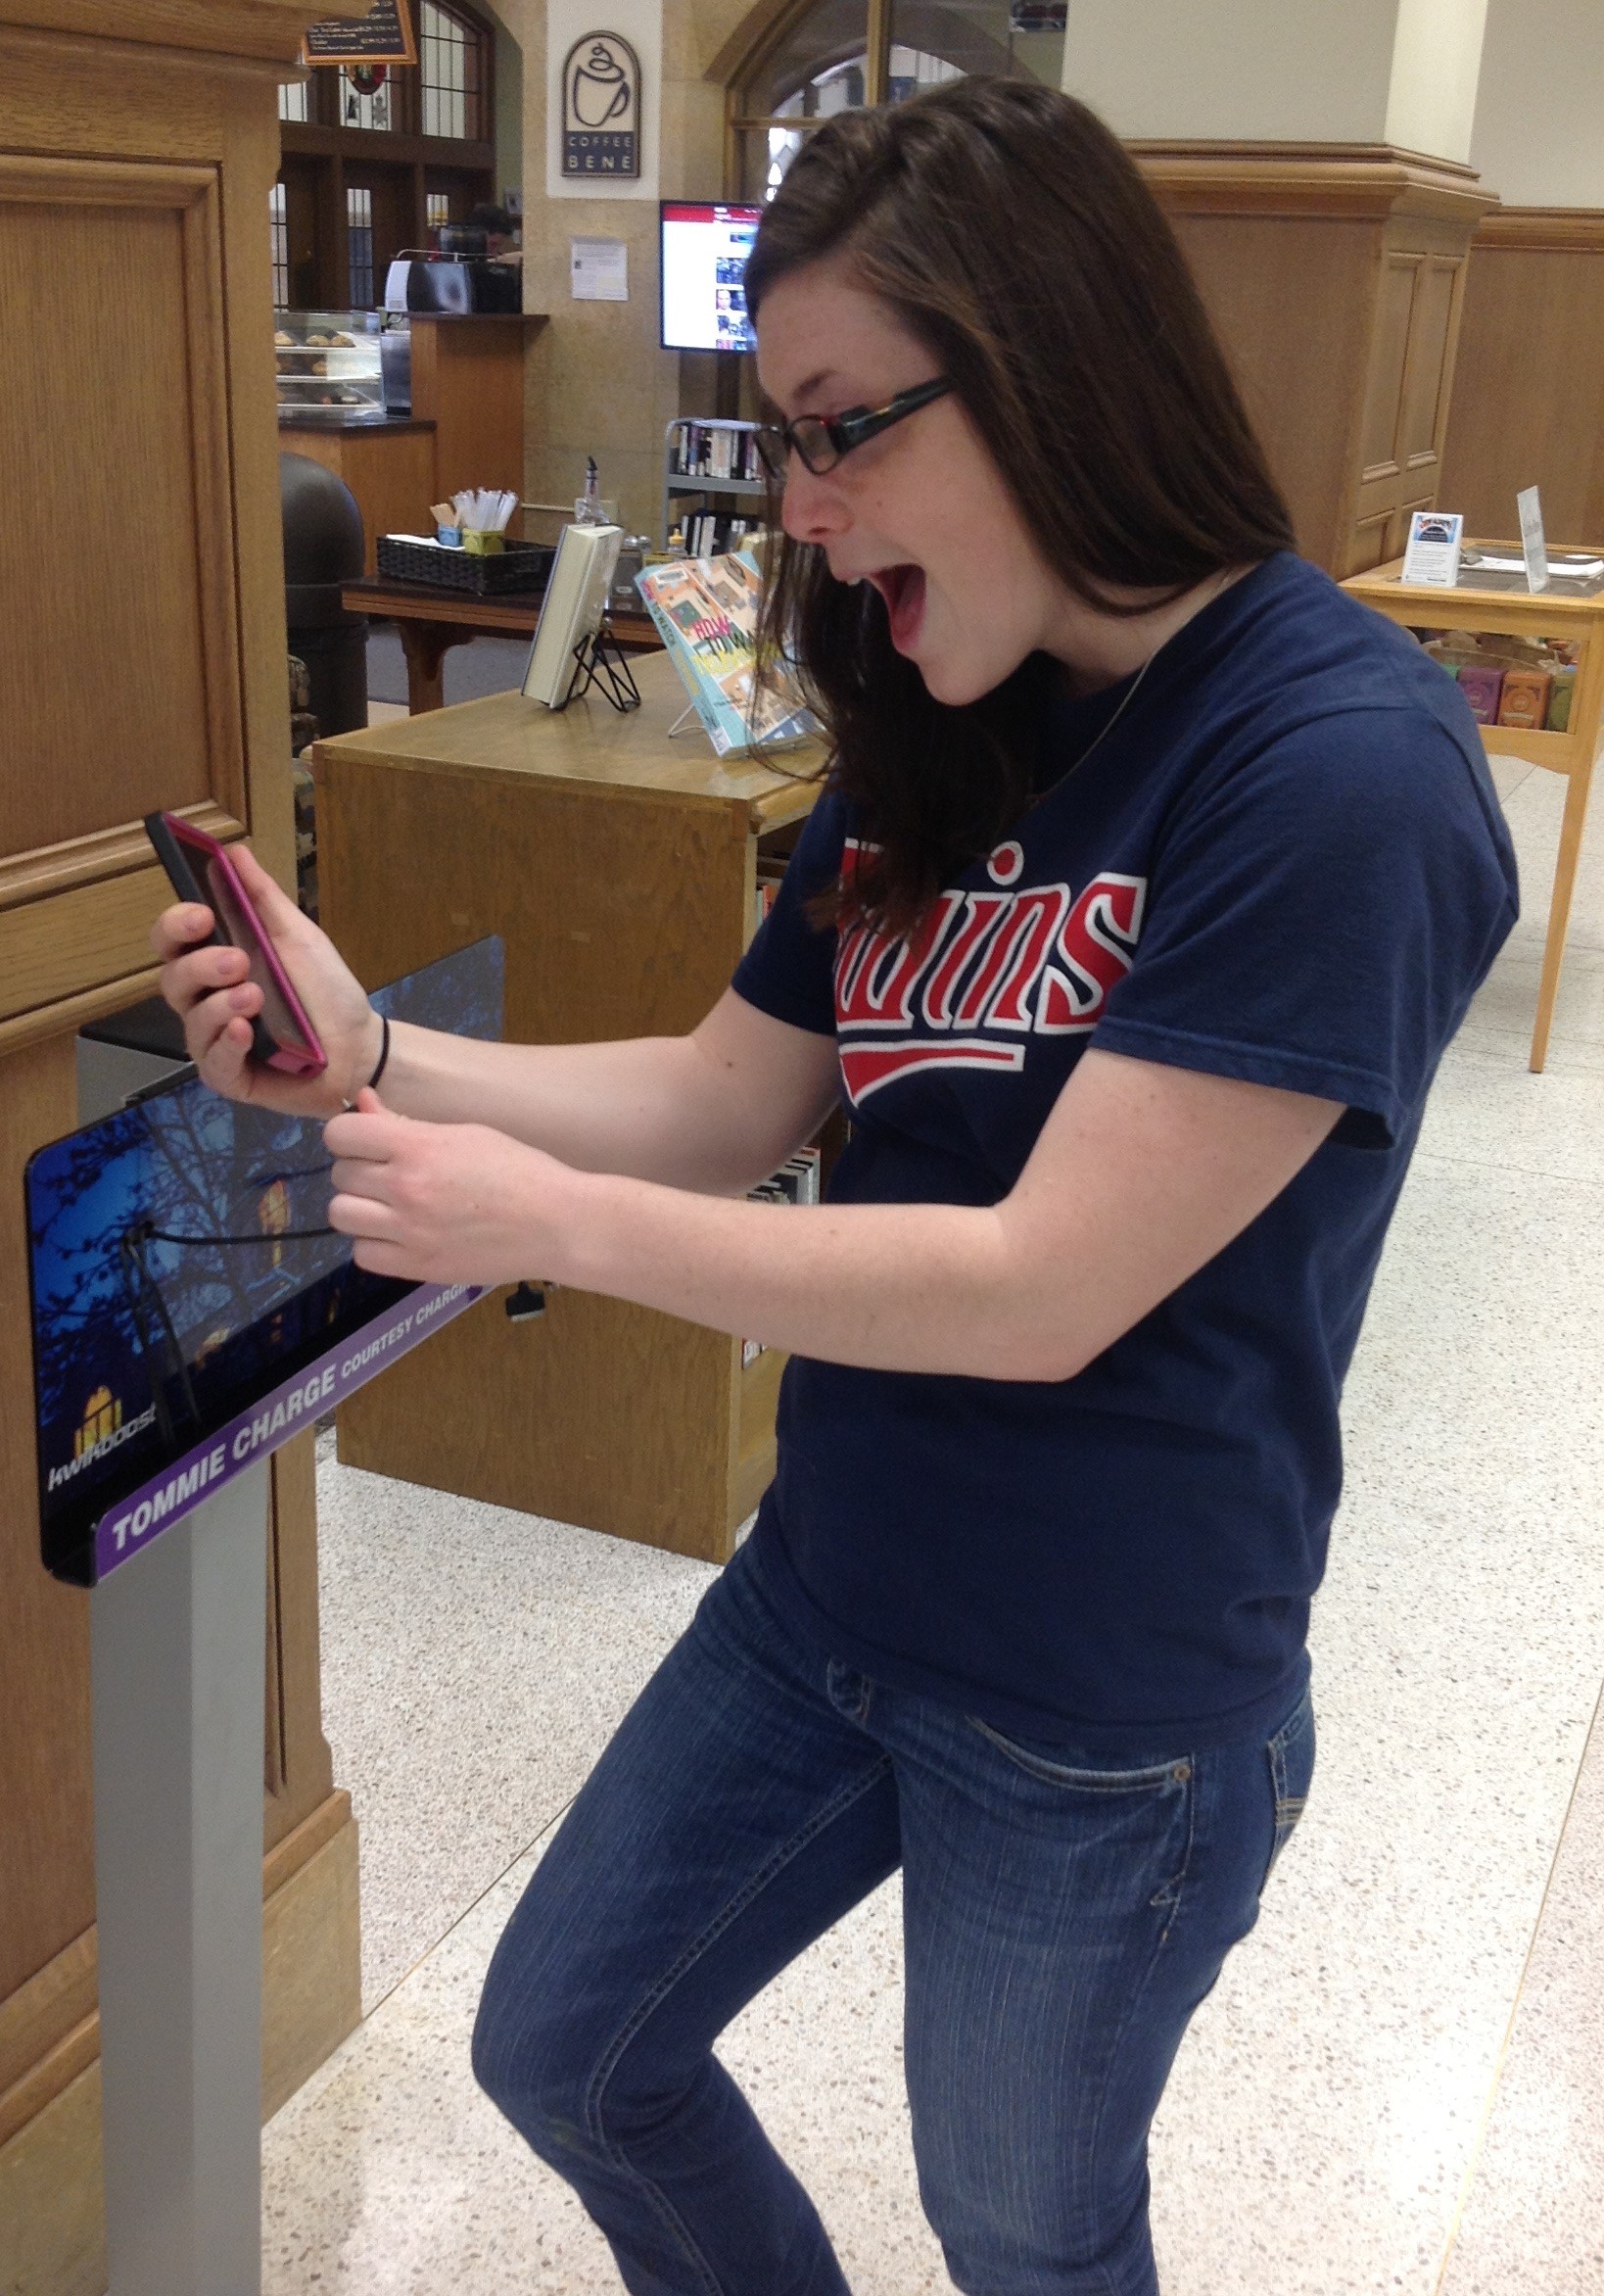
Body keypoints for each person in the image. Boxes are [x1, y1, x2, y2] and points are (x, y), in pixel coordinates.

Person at [154, 76, 1517, 2296]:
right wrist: (374, 1049)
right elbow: (722, 1096)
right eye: (781, 431)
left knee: (1025, 2224)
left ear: (1052, 369)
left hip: (1103, 1700)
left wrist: (541, 1227)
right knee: (572, 2050)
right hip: (833, 1590)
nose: (806, 505)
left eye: (840, 426)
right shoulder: (935, 709)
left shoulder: (1339, 768)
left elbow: (1041, 1283)